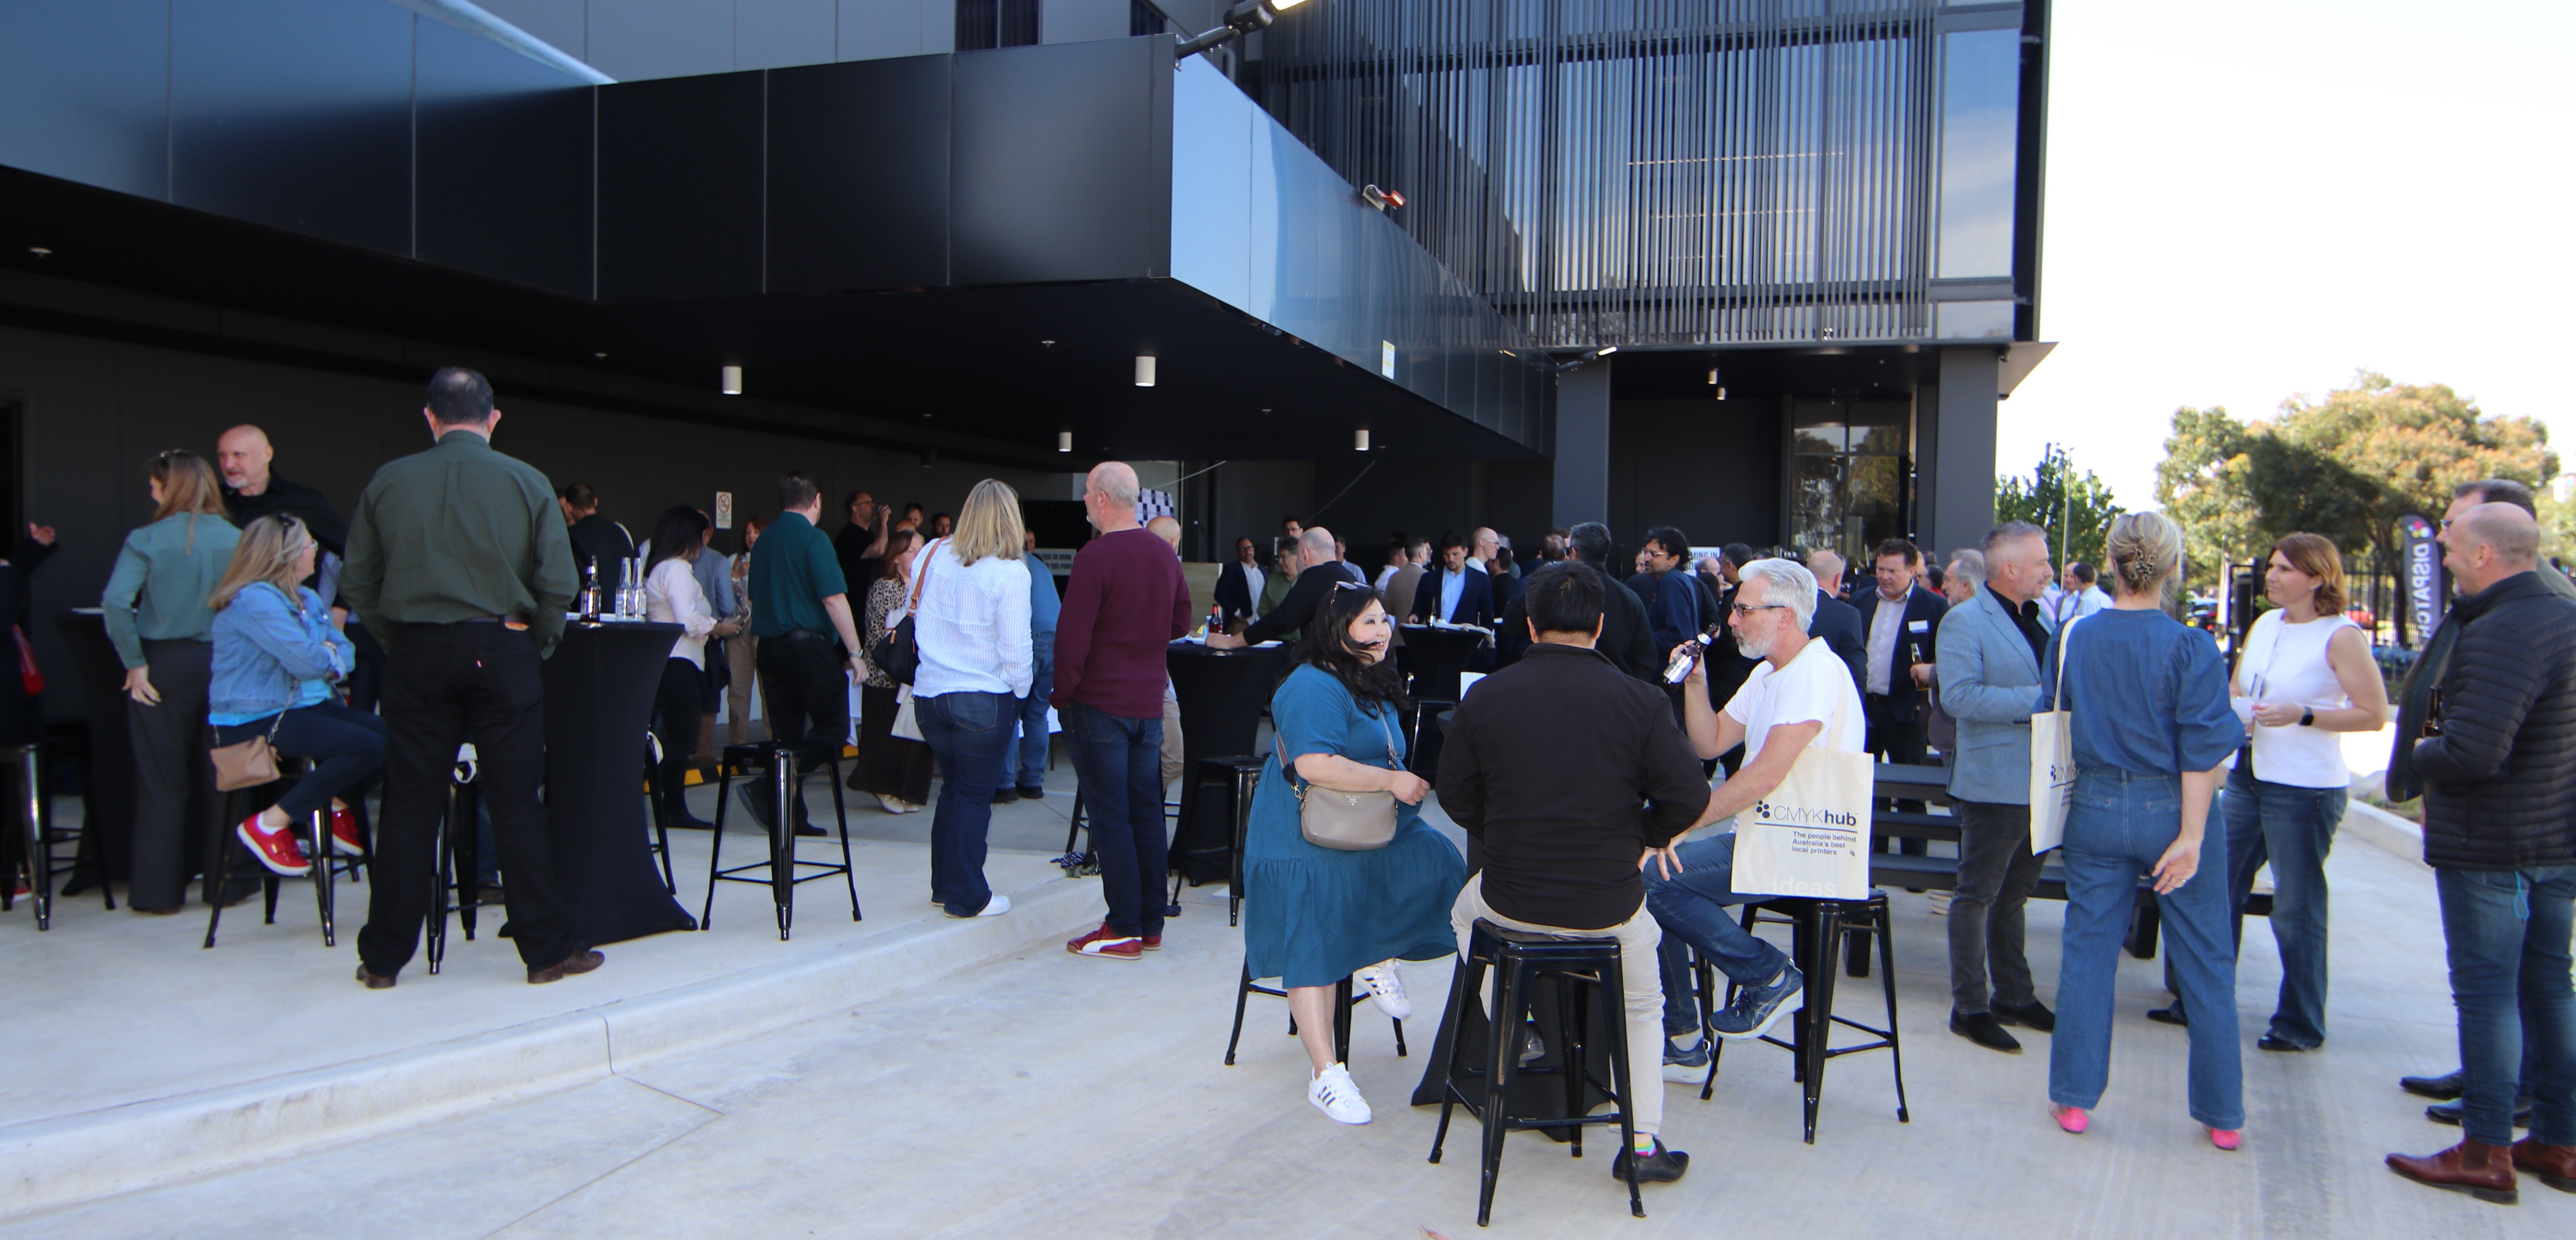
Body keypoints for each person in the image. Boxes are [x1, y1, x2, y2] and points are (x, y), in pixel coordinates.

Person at [1440, 562, 1700, 1184]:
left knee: (1463, 913)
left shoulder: (1487, 695)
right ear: (1600, 624)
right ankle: (1641, 1144)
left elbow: (1454, 794)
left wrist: (1505, 831)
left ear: (1530, 624)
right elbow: (1689, 795)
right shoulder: (1641, 699)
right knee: (1643, 1004)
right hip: (1607, 903)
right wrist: (1643, 834)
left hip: (1510, 895)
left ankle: (1518, 1023)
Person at [342, 368, 592, 988]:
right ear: (493, 417)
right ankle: (546, 950)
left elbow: (358, 582)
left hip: (415, 650)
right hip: (500, 645)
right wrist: (535, 641)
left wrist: (399, 640)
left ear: (430, 417)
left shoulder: (388, 480)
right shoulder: (527, 480)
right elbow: (559, 582)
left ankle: (383, 958)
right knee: (515, 802)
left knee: (409, 804)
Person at [2386, 501, 2576, 1201]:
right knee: (2550, 989)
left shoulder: (2502, 629)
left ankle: (2485, 1148)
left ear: (2487, 553)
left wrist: (2421, 750)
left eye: (2453, 545)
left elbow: (2471, 750)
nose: (2444, 554)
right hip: (2555, 842)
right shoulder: (2560, 618)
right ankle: (2559, 1140)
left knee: (2490, 995)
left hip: (2495, 846)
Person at [2039, 512, 2246, 1148]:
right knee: (2205, 959)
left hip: (2095, 804)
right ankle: (2222, 1113)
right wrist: (2192, 835)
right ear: (2173, 566)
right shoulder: (2191, 645)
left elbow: (2054, 712)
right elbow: (2202, 748)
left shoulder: (2073, 636)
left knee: (2088, 954)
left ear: (2112, 562)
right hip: (2172, 807)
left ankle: (2073, 1098)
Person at [1244, 581, 1466, 1123]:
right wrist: (1391, 781)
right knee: (1315, 926)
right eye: (1369, 621)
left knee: (1439, 860)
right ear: (1336, 627)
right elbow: (1313, 764)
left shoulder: (1365, 677)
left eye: (1384, 619)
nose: (1383, 630)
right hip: (1303, 831)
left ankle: (1372, 950)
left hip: (1364, 820)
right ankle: (1326, 1073)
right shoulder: (1311, 683)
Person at [2165, 535, 2388, 1050]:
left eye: (2285, 569)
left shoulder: (2341, 636)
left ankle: (2299, 1023)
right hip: (2251, 775)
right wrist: (2236, 713)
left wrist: (2303, 715)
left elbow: (2373, 714)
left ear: (2317, 577)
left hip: (2305, 789)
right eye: (2271, 566)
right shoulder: (2266, 624)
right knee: (2216, 884)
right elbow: (2238, 688)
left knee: (2296, 908)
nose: (2272, 575)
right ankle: (2200, 1001)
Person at [1648, 558, 1868, 1075]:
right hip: (1769, 836)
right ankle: (1684, 1035)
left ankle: (1765, 976)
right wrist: (1696, 683)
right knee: (1654, 874)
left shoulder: (1814, 672)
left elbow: (1765, 775)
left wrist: (1683, 825)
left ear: (1784, 615)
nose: (1732, 620)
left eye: (1743, 610)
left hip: (1804, 843)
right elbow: (1710, 743)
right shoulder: (1769, 672)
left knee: (1651, 878)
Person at [1055, 464, 1191, 955]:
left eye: (1088, 492)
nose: (1084, 500)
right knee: (1146, 812)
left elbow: (1071, 639)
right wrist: (1141, 642)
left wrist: (1062, 694)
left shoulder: (1094, 557)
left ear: (1104, 499)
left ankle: (1124, 926)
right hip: (1147, 702)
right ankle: (1150, 922)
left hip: (1099, 702)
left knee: (1110, 816)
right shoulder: (1162, 553)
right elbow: (1181, 620)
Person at [99, 451, 242, 913]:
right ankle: (227, 884)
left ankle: (157, 893)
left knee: (161, 780)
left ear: (170, 487)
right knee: (225, 773)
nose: (151, 491)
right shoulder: (237, 538)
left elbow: (116, 602)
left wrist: (134, 662)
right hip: (226, 663)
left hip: (164, 665)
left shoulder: (146, 538)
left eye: (156, 484)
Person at [1935, 522, 2058, 1051]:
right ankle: (1969, 1008)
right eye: (2042, 562)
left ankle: (2014, 995)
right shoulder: (1964, 621)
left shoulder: (2040, 616)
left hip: (2041, 783)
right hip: (1993, 784)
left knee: (2014, 896)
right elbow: (1959, 698)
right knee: (1977, 896)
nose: (2050, 571)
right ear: (2010, 569)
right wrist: (2041, 700)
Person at [206, 515, 381, 874]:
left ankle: (333, 802)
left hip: (307, 706)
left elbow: (346, 650)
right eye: (309, 545)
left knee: (399, 738)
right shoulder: (255, 600)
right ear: (286, 555)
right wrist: (326, 657)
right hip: (257, 717)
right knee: (368, 746)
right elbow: (306, 662)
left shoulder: (308, 597)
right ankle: (271, 823)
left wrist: (326, 658)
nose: (315, 551)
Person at [913, 481, 1033, 919]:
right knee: (972, 796)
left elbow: (917, 611)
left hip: (930, 695)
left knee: (954, 789)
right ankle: (968, 895)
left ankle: (945, 885)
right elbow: (1017, 651)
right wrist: (1021, 694)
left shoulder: (932, 553)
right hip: (983, 697)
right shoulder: (1011, 572)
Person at [743, 471, 869, 834]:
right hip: (806, 645)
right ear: (817, 501)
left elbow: (754, 597)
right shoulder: (814, 538)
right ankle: (769, 786)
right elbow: (833, 598)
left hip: (769, 647)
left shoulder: (763, 542)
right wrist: (855, 651)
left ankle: (791, 818)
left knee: (787, 736)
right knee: (835, 726)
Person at [642, 507, 736, 831]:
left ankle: (673, 806)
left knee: (676, 735)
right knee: (682, 737)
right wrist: (717, 627)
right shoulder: (677, 569)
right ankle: (666, 800)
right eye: (701, 534)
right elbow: (686, 620)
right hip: (680, 659)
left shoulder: (660, 568)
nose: (704, 541)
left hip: (667, 659)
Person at [1860, 540, 1948, 850]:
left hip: (1907, 709)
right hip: (1866, 708)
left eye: (1892, 571)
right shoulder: (1862, 600)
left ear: (1912, 570)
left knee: (1911, 788)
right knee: (1867, 788)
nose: (1884, 576)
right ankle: (1872, 855)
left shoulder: (1933, 607)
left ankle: (1914, 859)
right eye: (1880, 569)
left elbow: (1944, 656)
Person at [1495, 522, 1655, 680]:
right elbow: (1646, 658)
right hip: (1614, 687)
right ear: (1606, 553)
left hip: (1554, 682)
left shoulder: (1551, 587)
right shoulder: (1629, 598)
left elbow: (1511, 623)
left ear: (1574, 553)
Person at [852, 528, 934, 814]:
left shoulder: (926, 585)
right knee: (885, 735)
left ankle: (905, 790)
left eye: (921, 550)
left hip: (913, 677)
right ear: (895, 557)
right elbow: (900, 622)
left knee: (910, 737)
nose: (918, 555)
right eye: (911, 550)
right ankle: (882, 786)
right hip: (886, 674)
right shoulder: (886, 586)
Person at [1216, 528, 1364, 649]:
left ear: (1305, 555)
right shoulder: (1350, 577)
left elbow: (1282, 620)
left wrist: (1232, 642)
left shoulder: (1314, 577)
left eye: (1297, 555)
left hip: (1324, 663)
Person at [1001, 528, 1060, 803]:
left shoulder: (1009, 565)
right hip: (1056, 640)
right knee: (1037, 714)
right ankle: (1033, 781)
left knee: (1010, 714)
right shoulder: (1038, 565)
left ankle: (1004, 783)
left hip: (1029, 639)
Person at [690, 515, 737, 762]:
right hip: (710, 633)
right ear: (707, 532)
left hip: (678, 637)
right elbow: (727, 605)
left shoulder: (667, 558)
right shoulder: (718, 560)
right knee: (710, 691)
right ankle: (703, 751)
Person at [1801, 550, 1871, 695]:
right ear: (1838, 579)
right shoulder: (1846, 615)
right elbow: (1855, 672)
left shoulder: (1783, 607)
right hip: (1828, 700)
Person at [724, 517, 765, 745]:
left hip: (764, 626)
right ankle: (737, 744)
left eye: (757, 532)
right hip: (738, 627)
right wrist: (736, 576)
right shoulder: (734, 560)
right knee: (738, 687)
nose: (752, 537)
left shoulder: (773, 558)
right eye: (749, 532)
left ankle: (773, 741)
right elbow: (723, 594)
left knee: (768, 688)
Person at [1631, 527, 1703, 656]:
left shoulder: (1672, 581)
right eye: (1646, 552)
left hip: (1668, 663)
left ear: (1673, 560)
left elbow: (1679, 635)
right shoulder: (1675, 579)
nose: (1646, 558)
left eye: (1654, 554)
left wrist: (1639, 640)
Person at [557, 483, 633, 602]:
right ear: (595, 502)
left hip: (589, 609)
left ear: (570, 507)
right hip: (622, 608)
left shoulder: (571, 536)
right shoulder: (620, 532)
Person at [1407, 532, 1493, 628]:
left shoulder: (1481, 580)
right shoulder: (1429, 578)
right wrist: (1415, 616)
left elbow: (1487, 619)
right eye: (1446, 554)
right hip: (1436, 635)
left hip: (1465, 636)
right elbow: (1418, 610)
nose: (1451, 559)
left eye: (1455, 554)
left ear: (1465, 552)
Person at [835, 490, 886, 593]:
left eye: (873, 502)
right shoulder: (849, 535)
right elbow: (879, 550)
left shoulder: (869, 533)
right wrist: (883, 522)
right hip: (855, 596)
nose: (874, 506)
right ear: (855, 509)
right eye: (868, 503)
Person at [1382, 537, 1430, 645]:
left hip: (1399, 637)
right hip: (1421, 638)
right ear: (1420, 554)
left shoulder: (1394, 577)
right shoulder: (1427, 577)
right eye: (1426, 551)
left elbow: (1389, 608)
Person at [1215, 536, 1264, 626]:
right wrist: (1237, 612)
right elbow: (1219, 595)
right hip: (1241, 621)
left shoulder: (1263, 571)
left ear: (1254, 549)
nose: (1247, 552)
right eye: (1243, 549)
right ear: (1237, 553)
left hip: (1261, 621)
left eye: (1250, 548)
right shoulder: (1231, 570)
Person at [2050, 562, 2111, 626]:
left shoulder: (2087, 601)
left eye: (2072, 577)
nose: (2068, 580)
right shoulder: (2107, 599)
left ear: (2076, 578)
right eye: (2066, 576)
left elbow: (2087, 628)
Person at [1257, 535, 1299, 620]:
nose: (1280, 562)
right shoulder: (1272, 581)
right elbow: (1262, 611)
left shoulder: (1310, 578)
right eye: (1279, 558)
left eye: (1283, 557)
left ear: (1297, 555)